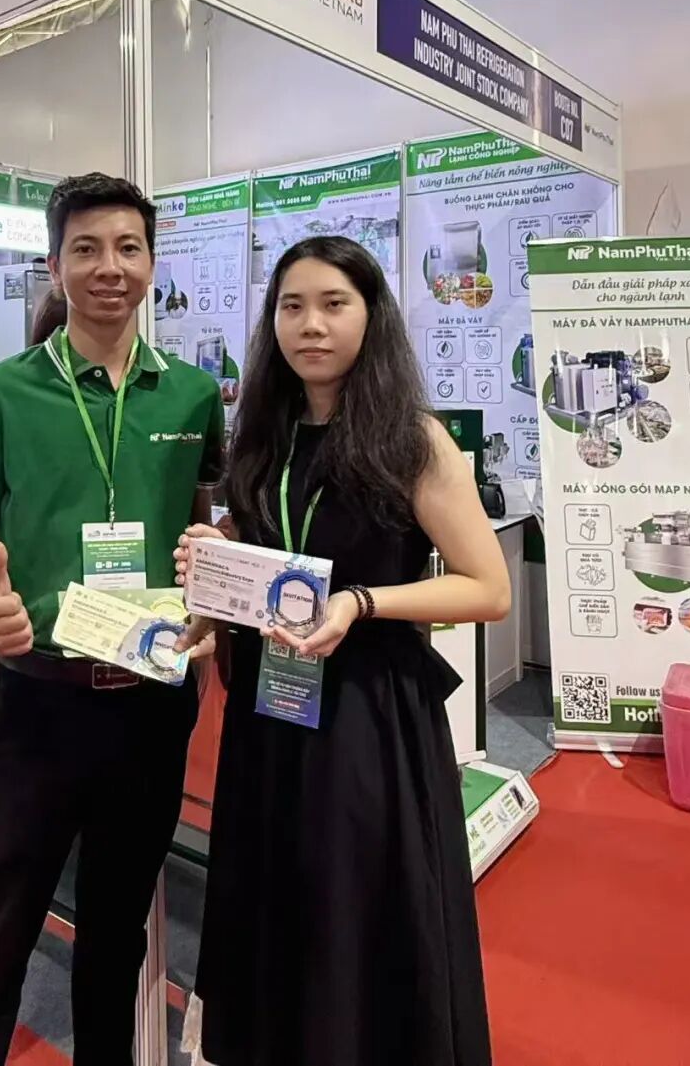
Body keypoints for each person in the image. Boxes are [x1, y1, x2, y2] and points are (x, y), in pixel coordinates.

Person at [175, 237, 509, 1066]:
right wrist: (217, 566)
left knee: (356, 907)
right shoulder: (264, 435)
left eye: (334, 304)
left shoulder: (411, 440)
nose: (311, 325)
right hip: (270, 709)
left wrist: (362, 603)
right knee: (277, 899)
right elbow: (268, 548)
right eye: (292, 307)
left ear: (371, 315)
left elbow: (487, 586)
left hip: (367, 713)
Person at [0, 173, 224, 1066]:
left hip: (151, 699)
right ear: (55, 263)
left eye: (128, 247)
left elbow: (201, 527)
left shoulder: (193, 395)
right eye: (87, 248)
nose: (110, 267)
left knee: (115, 931)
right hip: (38, 699)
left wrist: (214, 583)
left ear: (151, 262)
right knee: (1, 926)